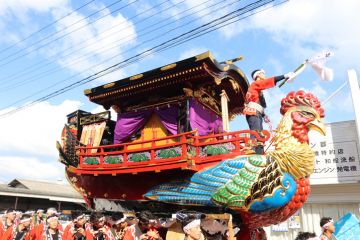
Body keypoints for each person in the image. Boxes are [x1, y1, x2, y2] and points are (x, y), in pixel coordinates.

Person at [243, 69, 293, 154]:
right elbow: (267, 82)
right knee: (256, 132)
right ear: (258, 75)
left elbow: (261, 104)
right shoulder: (255, 84)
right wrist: (283, 76)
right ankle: (253, 150)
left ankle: (260, 151)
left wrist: (264, 114)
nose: (265, 75)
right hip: (253, 111)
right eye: (263, 73)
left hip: (257, 112)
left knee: (261, 134)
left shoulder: (258, 90)